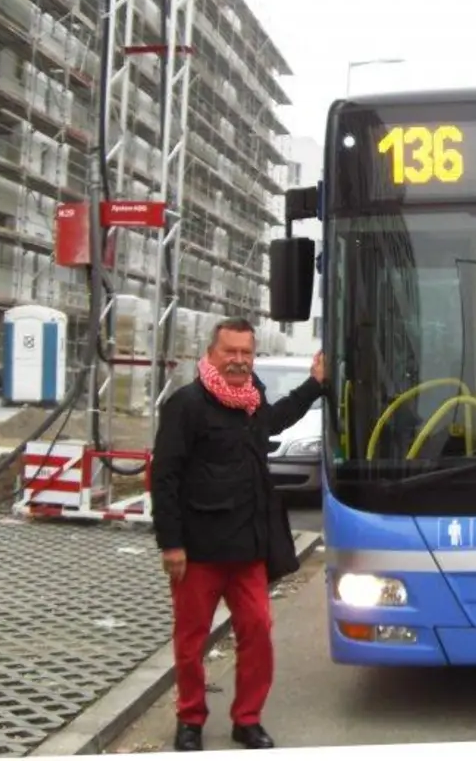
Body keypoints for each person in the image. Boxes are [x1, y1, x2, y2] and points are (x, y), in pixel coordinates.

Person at [150, 318, 327, 752]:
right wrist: (171, 544)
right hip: (198, 552)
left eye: (246, 353)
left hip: (248, 549)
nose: (239, 361)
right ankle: (190, 719)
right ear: (211, 354)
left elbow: (277, 421)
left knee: (258, 633)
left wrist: (314, 385)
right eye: (230, 352)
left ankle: (247, 720)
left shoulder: (252, 400)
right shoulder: (186, 405)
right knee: (190, 642)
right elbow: (165, 478)